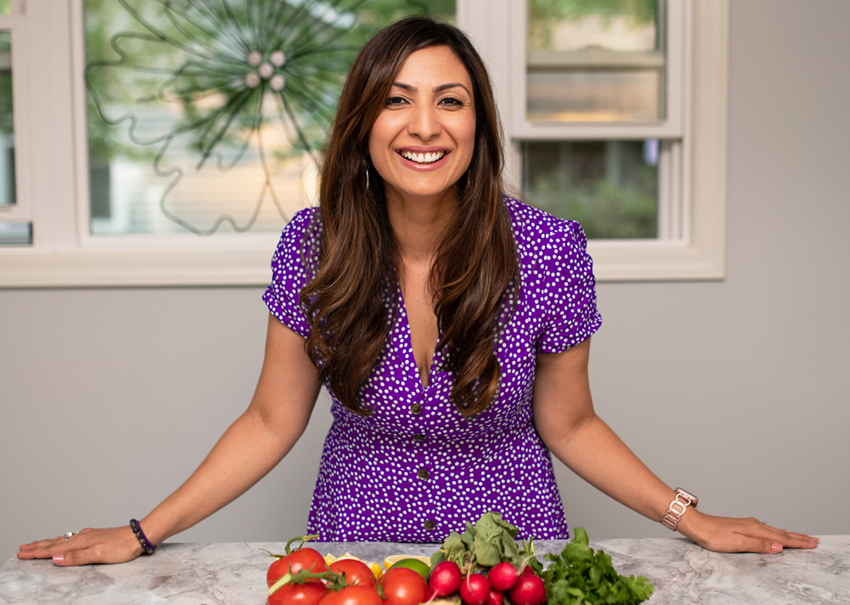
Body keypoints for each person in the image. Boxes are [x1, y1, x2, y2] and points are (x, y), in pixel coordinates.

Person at [17, 16, 817, 566]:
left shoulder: (547, 248)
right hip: (356, 556)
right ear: (363, 124)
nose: (424, 125)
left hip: (510, 553)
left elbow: (570, 424)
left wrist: (693, 516)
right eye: (396, 99)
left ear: (479, 125)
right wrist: (141, 531)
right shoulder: (313, 243)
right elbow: (269, 419)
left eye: (450, 100)